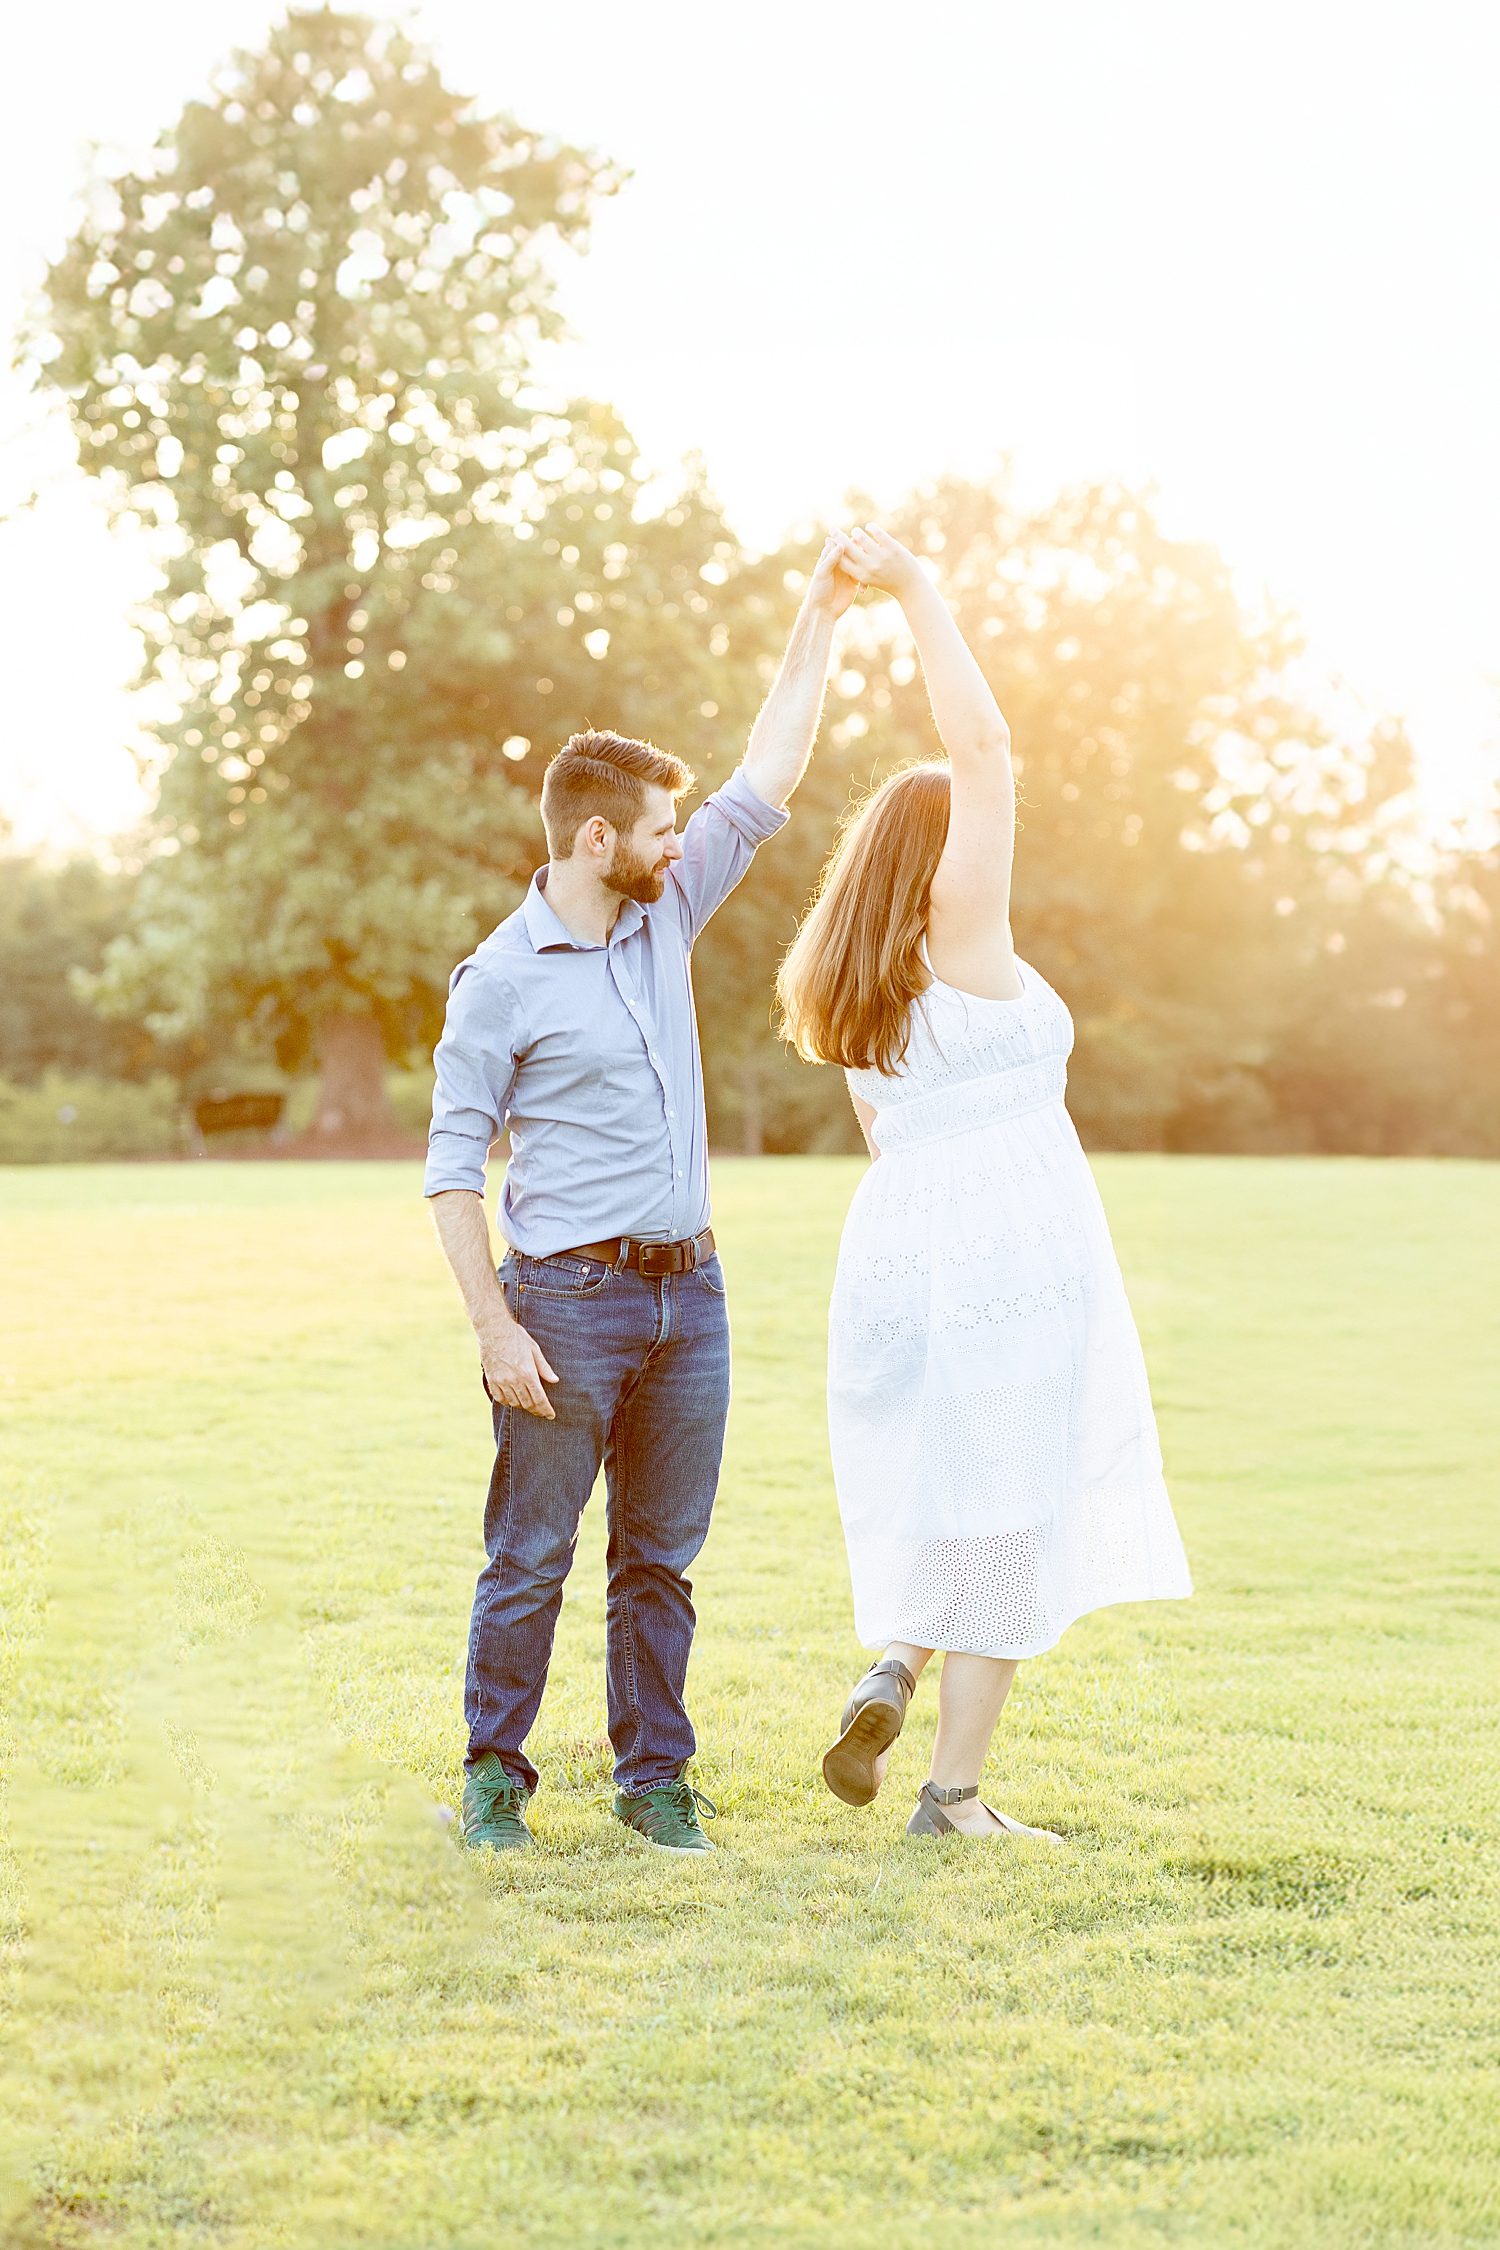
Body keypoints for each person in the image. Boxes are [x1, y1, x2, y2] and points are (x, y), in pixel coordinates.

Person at [425, 537, 860, 1855]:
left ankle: (653, 1778)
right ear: (597, 836)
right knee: (532, 1558)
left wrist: (822, 611)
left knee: (659, 1561)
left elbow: (769, 769)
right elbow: (452, 1173)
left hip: (693, 1297)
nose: (686, 841)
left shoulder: (665, 908)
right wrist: (496, 1328)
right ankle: (494, 1774)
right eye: (662, 827)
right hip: (564, 1300)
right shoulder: (499, 979)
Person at [777, 523, 1192, 1843]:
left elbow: (887, 1132)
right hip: (1012, 1240)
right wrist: (918, 592)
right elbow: (988, 749)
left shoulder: (852, 985)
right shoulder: (967, 937)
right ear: (947, 859)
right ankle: (951, 1796)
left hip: (897, 1245)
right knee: (1014, 1494)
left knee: (943, 1472)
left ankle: (894, 1661)